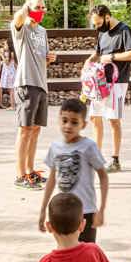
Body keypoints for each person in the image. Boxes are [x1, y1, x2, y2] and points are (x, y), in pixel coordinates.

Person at [39, 98, 111, 243]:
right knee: (65, 253)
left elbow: (103, 176)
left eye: (74, 122)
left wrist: (101, 209)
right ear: (59, 120)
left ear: (83, 124)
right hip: (62, 212)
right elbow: (52, 180)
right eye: (64, 120)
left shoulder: (88, 146)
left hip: (86, 212)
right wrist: (43, 210)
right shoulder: (55, 147)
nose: (68, 126)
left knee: (87, 254)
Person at [90, 5, 131, 172]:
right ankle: (96, 157)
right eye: (94, 24)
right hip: (100, 81)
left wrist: (111, 57)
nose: (96, 27)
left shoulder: (124, 30)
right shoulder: (102, 31)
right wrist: (87, 64)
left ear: (107, 17)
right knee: (94, 117)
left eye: (98, 23)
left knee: (113, 120)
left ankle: (115, 159)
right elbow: (97, 53)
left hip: (117, 83)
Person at [11, 0, 54, 190]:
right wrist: (28, 10)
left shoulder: (43, 31)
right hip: (26, 83)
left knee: (35, 130)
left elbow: (43, 57)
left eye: (43, 7)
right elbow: (18, 18)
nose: (41, 11)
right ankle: (20, 175)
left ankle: (30, 171)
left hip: (41, 83)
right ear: (29, 8)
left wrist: (49, 58)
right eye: (38, 7)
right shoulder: (22, 27)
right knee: (24, 129)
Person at [0, 42, 18, 110]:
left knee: (11, 90)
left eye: (5, 44)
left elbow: (7, 63)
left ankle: (13, 106)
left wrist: (1, 55)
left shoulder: (10, 54)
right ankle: (13, 104)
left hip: (10, 73)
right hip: (10, 72)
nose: (4, 46)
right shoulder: (11, 53)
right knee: (11, 89)